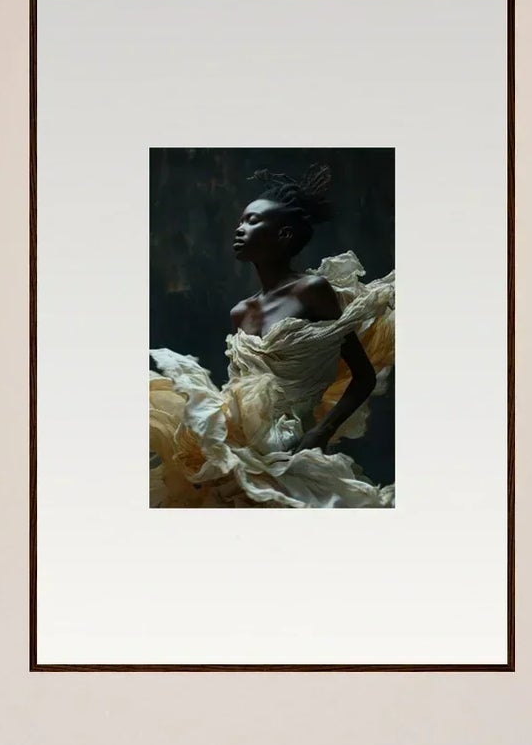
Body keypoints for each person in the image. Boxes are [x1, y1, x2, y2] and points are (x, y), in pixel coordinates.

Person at [149, 165, 395, 509]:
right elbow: (243, 388)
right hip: (237, 446)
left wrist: (320, 433)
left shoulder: (312, 290)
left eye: (252, 221)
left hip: (295, 446)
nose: (240, 228)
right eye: (240, 221)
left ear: (283, 235)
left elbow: (364, 375)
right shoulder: (241, 311)